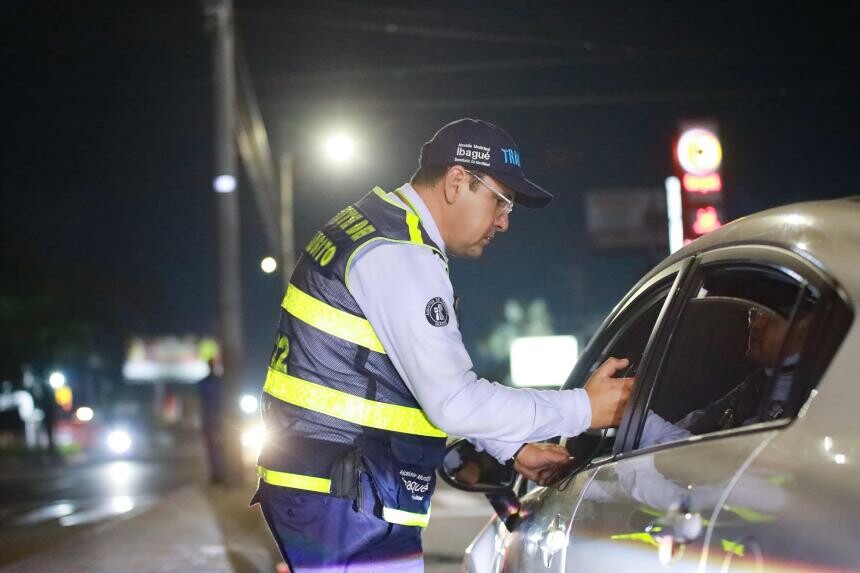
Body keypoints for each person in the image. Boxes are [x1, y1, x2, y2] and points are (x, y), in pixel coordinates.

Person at [253, 118, 633, 572]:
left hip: (329, 485)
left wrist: (511, 448)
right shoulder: (399, 254)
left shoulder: (372, 229)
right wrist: (583, 408)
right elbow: (453, 399)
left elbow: (406, 381)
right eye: (501, 200)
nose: (504, 222)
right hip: (346, 493)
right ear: (457, 181)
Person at [641, 301, 813, 447]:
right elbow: (707, 416)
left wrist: (645, 424)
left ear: (804, 329)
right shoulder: (762, 378)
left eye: (771, 319)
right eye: (756, 313)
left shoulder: (800, 400)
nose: (756, 324)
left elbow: (718, 463)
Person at [197, 358, 226, 484]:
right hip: (210, 421)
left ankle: (219, 473)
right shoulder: (207, 383)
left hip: (218, 421)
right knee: (212, 449)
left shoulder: (220, 383)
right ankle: (216, 475)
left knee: (218, 449)